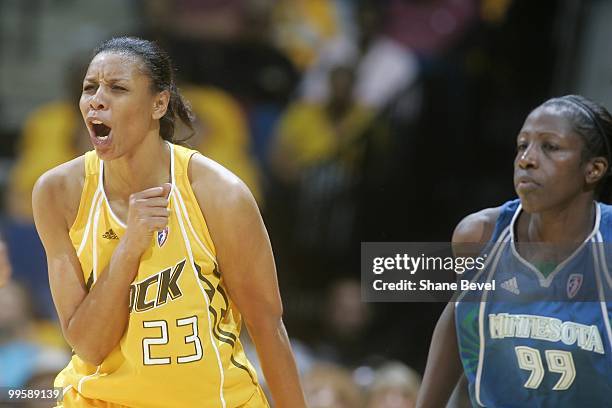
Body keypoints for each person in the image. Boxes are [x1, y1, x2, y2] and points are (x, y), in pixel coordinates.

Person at [32, 37, 305, 407]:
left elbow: (267, 327)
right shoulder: (57, 192)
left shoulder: (218, 193)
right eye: (89, 88)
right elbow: (89, 346)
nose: (97, 99)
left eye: (117, 88)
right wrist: (129, 247)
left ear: (158, 104)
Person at [416, 95, 612, 407]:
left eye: (550, 147)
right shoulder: (479, 235)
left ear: (594, 169)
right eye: (522, 145)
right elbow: (458, 323)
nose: (527, 159)